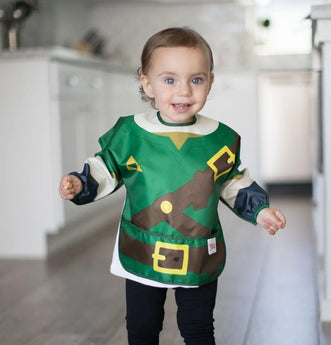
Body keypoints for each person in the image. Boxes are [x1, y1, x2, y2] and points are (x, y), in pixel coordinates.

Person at [59, 27, 286, 345]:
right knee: (142, 327)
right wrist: (79, 182)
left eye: (196, 79)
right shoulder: (130, 134)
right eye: (170, 80)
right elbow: (104, 169)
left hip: (198, 252)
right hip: (143, 248)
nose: (184, 92)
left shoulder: (219, 139)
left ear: (210, 81)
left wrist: (259, 211)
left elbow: (233, 181)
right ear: (147, 84)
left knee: (198, 328)